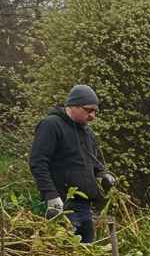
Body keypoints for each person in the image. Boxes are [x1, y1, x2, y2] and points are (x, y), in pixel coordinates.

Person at [28, 84, 117, 243]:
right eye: (88, 110)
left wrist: (104, 174)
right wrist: (51, 196)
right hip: (62, 204)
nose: (93, 116)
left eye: (95, 111)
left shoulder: (87, 132)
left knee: (87, 250)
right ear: (73, 106)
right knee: (64, 251)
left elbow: (94, 162)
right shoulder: (51, 125)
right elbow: (38, 162)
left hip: (84, 205)